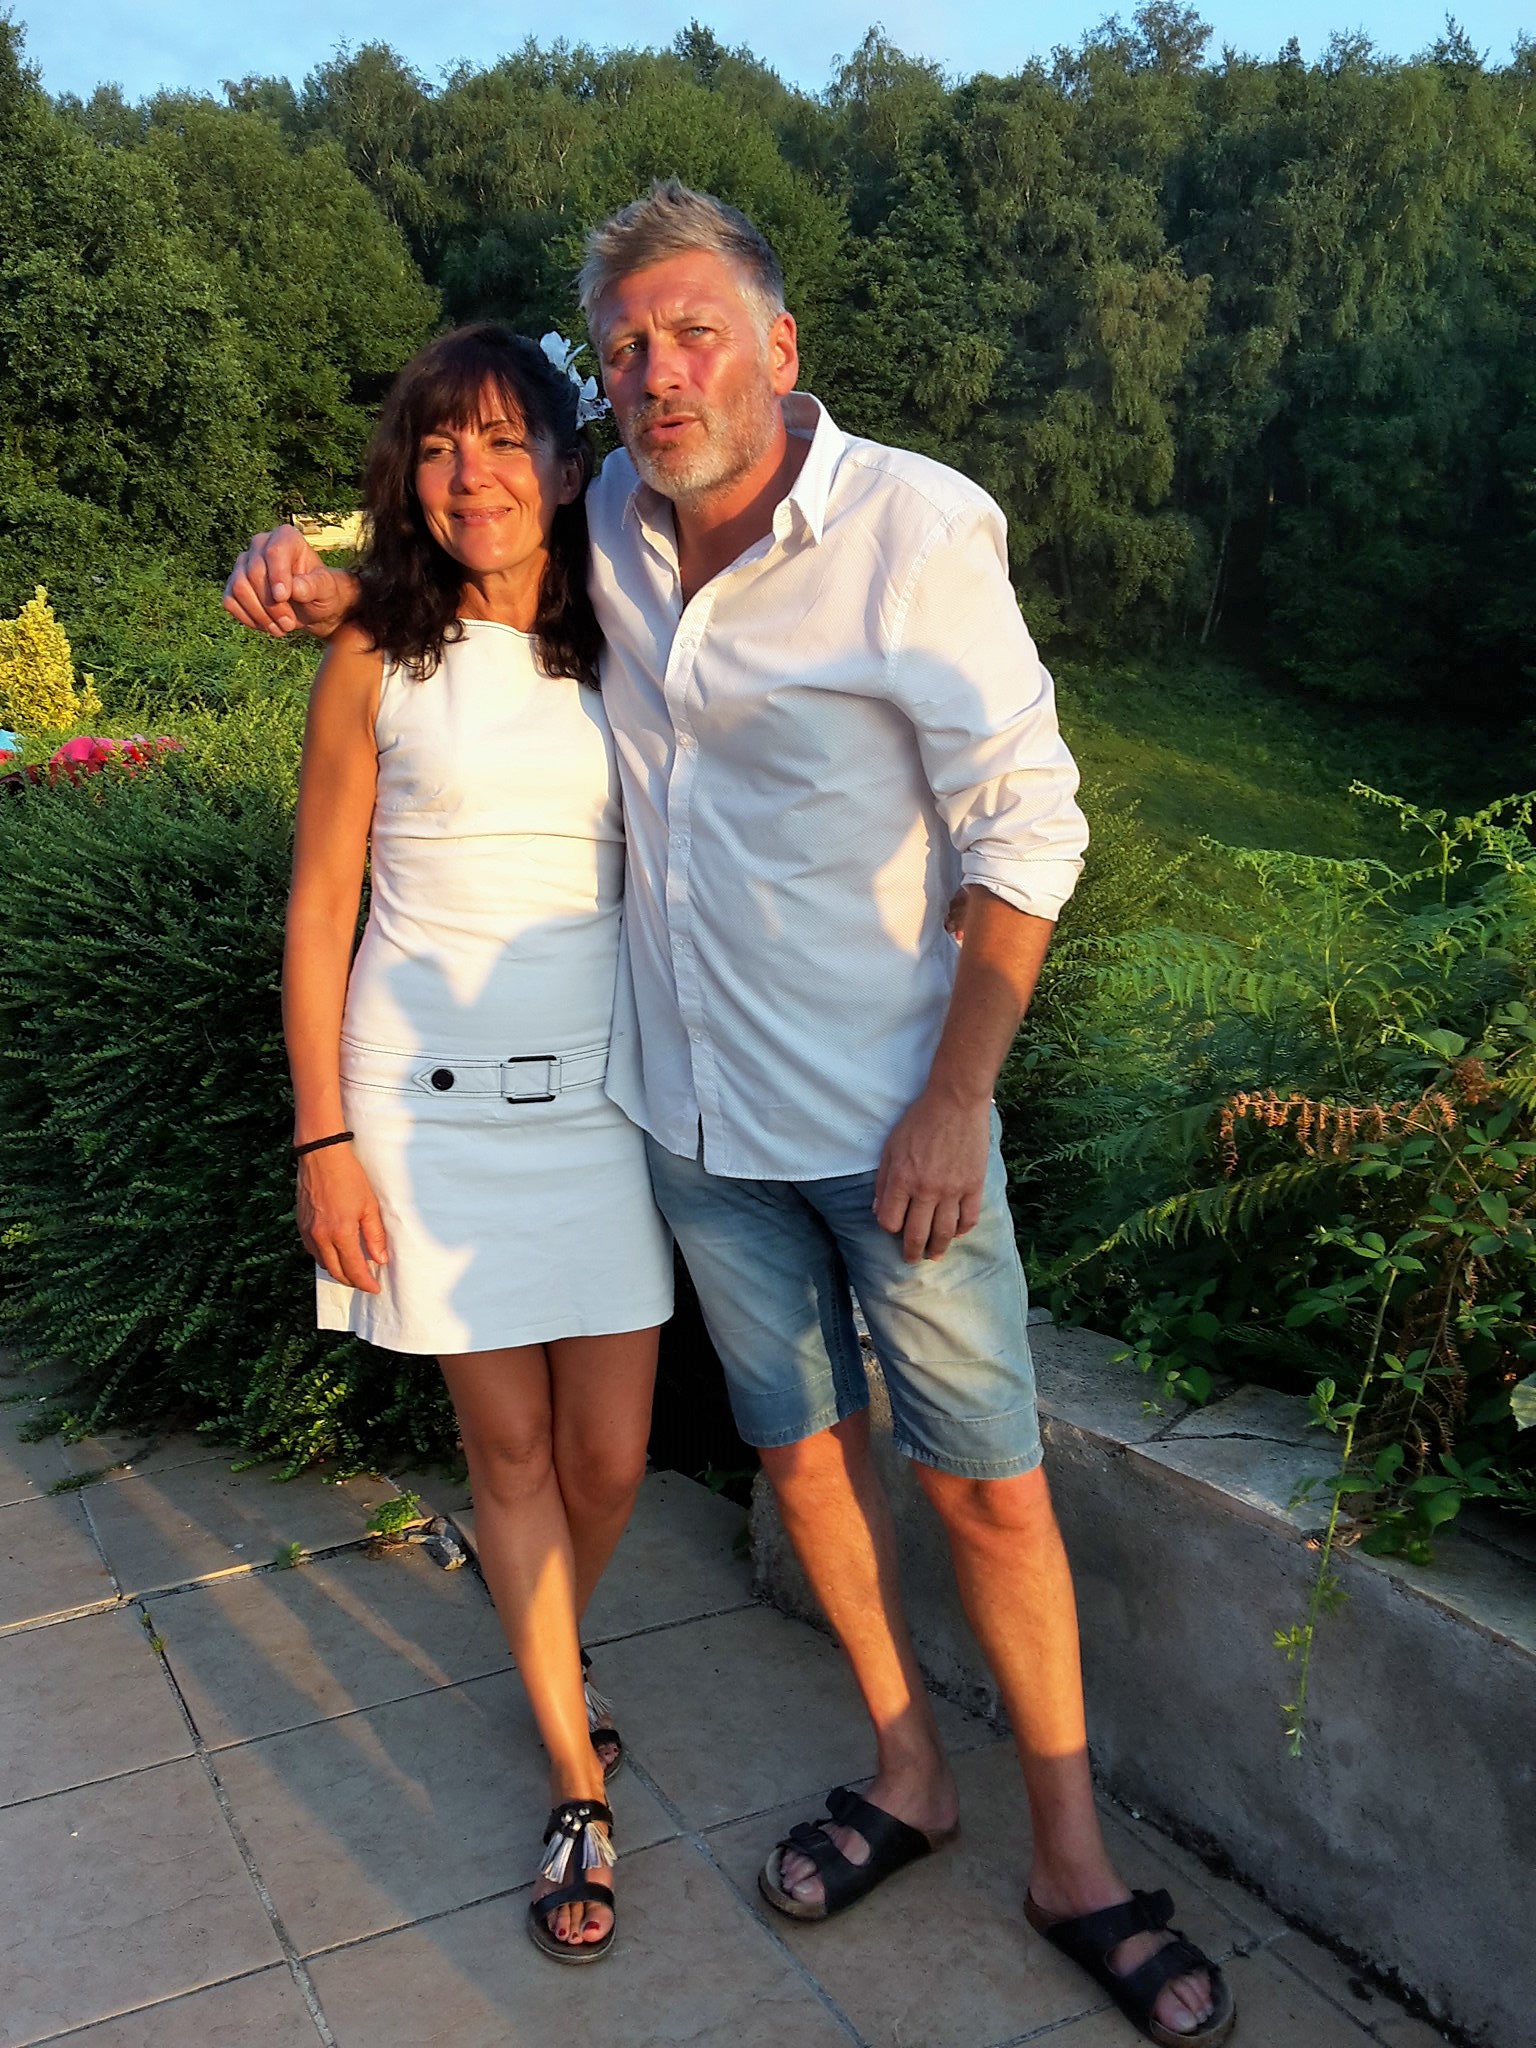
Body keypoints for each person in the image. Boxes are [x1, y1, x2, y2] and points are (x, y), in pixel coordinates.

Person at [227, 183, 1233, 2044]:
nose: (661, 369)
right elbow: (459, 573)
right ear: (604, 393)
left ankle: (1075, 1862)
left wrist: (959, 1097)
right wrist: (313, 566)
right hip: (691, 1128)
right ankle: (907, 1774)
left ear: (780, 342)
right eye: (628, 347)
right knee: (807, 1464)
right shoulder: (616, 523)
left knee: (986, 1485)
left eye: (695, 331)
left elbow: (1033, 827)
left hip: (893, 1125)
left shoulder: (910, 527)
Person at [281, 322, 673, 1964]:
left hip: (601, 1106)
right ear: (408, 475)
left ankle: (546, 1638)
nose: (474, 475)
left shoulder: (632, 641)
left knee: (611, 1460)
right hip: (423, 1111)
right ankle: (575, 1777)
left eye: (509, 440)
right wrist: (323, 1138)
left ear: (570, 468)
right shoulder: (377, 651)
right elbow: (320, 908)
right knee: (508, 1455)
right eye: (441, 446)